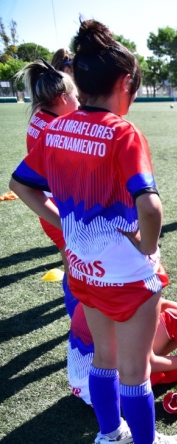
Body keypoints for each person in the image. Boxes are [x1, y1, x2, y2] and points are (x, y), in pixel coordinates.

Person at [10, 18, 177, 444]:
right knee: (135, 370)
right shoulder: (123, 133)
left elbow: (21, 184)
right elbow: (150, 206)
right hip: (127, 274)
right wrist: (148, 248)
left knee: (103, 360)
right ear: (125, 82)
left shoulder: (57, 129)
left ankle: (109, 436)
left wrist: (63, 226)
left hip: (82, 268)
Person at [16, 59, 80, 317]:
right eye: (76, 95)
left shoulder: (41, 117)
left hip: (51, 206)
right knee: (77, 271)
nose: (79, 101)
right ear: (63, 98)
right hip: (55, 208)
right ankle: (79, 323)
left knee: (72, 265)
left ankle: (76, 316)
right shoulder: (54, 128)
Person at [69, 297, 177, 405]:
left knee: (164, 317)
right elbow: (151, 363)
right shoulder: (120, 312)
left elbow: (160, 304)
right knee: (173, 320)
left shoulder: (99, 293)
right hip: (116, 395)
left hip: (89, 387)